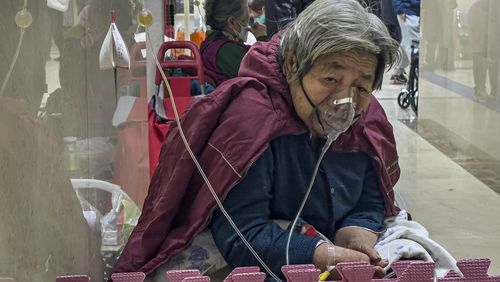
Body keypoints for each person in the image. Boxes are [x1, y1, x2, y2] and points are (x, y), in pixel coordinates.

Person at [113, 0, 400, 280]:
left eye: (361, 86)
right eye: (330, 80)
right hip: (259, 255)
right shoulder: (252, 120)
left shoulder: (366, 120)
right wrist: (324, 255)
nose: (344, 102)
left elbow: (371, 200)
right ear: (292, 65)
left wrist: (357, 234)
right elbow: (242, 232)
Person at [201, 0, 267, 86]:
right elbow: (267, 73)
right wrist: (262, 38)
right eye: (246, 20)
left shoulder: (212, 44)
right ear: (232, 22)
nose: (248, 26)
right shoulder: (226, 51)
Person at [390, 0, 420, 85]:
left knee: (406, 43)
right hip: (409, 11)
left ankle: (397, 72)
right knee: (413, 45)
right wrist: (400, 9)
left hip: (411, 10)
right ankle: (416, 75)